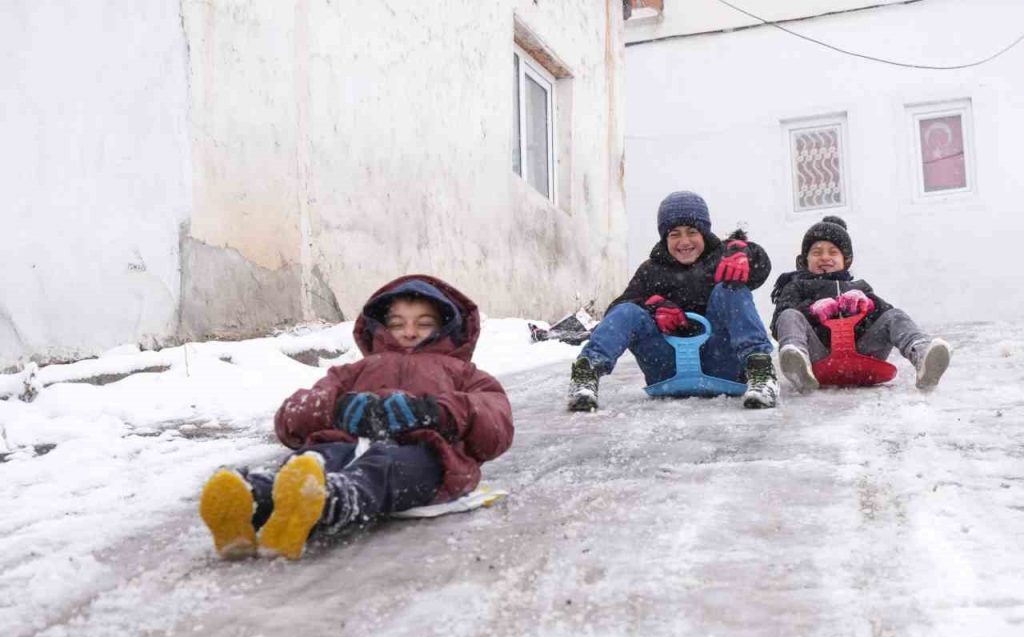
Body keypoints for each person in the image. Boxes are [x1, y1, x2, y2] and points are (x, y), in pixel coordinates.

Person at [198, 275, 514, 560]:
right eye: (398, 323)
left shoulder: (462, 373)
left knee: (385, 468)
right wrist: (334, 409)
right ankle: (254, 499)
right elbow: (289, 419)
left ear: (446, 327)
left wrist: (439, 412)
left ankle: (327, 499)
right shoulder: (353, 371)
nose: (409, 332)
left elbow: (496, 422)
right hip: (346, 444)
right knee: (317, 457)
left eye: (423, 323)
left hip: (425, 455)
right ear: (381, 326)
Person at [567, 190, 779, 411]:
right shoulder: (651, 270)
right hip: (667, 365)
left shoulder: (722, 258)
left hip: (721, 363)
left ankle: (760, 371)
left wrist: (745, 253)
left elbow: (759, 267)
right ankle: (586, 373)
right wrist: (652, 306)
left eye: (692, 232)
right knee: (628, 310)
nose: (684, 241)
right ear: (664, 238)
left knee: (732, 288)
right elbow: (619, 309)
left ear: (704, 234)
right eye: (674, 234)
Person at [770, 216, 950, 393]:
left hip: (862, 355)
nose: (825, 257)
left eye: (833, 252)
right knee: (789, 315)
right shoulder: (797, 286)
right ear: (805, 260)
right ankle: (797, 363)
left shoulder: (859, 287)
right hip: (819, 357)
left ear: (845, 260)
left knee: (895, 315)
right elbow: (779, 322)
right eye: (817, 252)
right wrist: (811, 310)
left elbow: (886, 317)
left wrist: (870, 304)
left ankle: (922, 354)